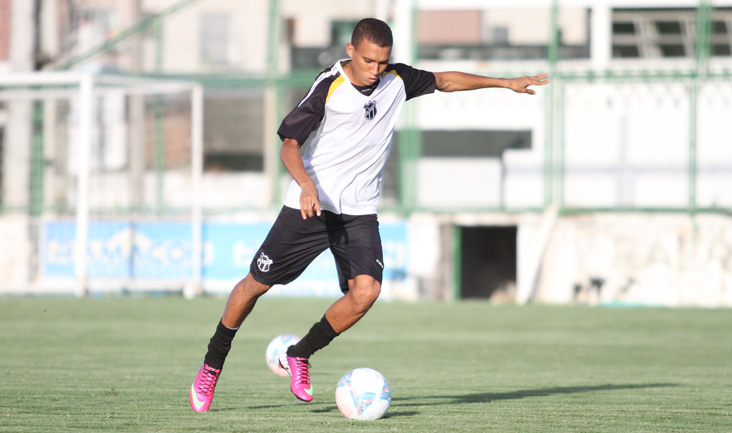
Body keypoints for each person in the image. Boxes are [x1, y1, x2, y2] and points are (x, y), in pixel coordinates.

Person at [190, 17, 549, 412]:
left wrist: (505, 83)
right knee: (254, 285)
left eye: (383, 61)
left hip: (358, 213)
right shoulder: (330, 86)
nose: (376, 70)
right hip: (310, 207)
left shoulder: (396, 80)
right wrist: (307, 185)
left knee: (367, 292)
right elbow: (289, 145)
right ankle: (212, 365)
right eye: (368, 61)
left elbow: (445, 80)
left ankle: (300, 354)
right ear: (350, 52)